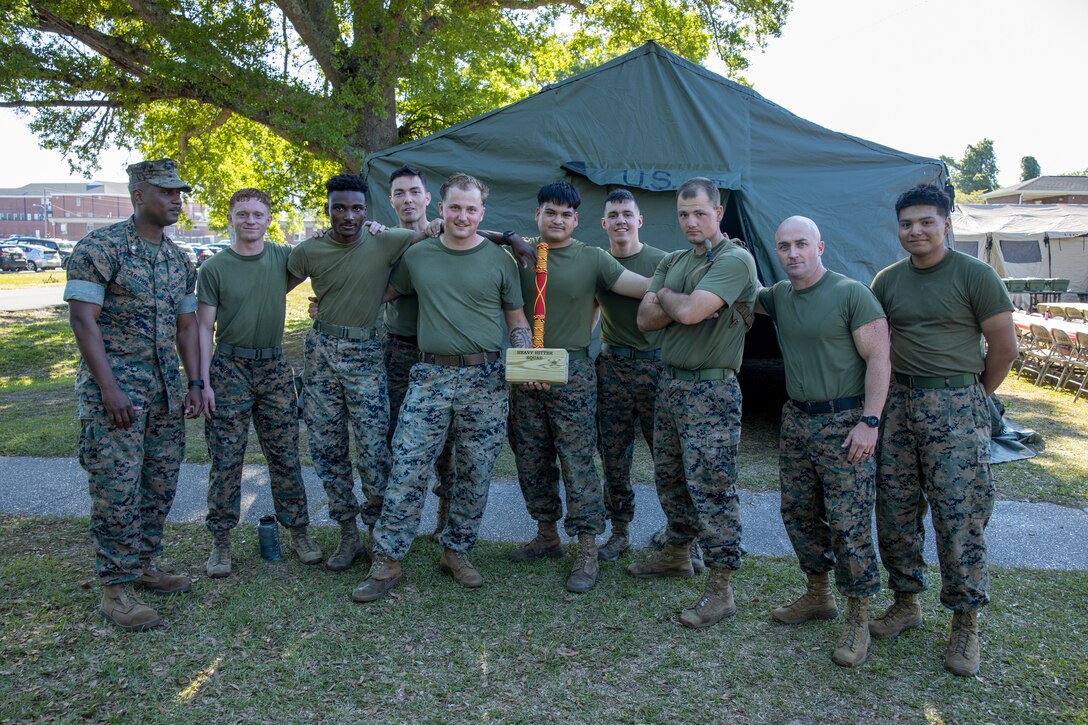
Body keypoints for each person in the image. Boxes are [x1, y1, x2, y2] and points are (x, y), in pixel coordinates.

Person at [353, 173, 530, 602]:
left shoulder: (500, 261)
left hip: (486, 381)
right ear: (442, 208)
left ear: (482, 213)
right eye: (455, 208)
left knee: (475, 472)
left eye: (471, 209)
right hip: (430, 377)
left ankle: (457, 551)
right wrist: (333, 300)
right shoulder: (419, 256)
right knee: (408, 467)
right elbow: (378, 293)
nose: (462, 216)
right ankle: (388, 559)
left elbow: (517, 321)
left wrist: (527, 360)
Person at [869, 184, 1018, 677]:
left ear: (946, 224)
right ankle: (905, 601)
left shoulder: (976, 275)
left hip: (956, 406)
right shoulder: (888, 280)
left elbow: (1004, 348)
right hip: (899, 405)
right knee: (895, 510)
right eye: (906, 223)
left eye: (926, 222)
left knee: (959, 517)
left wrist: (972, 395)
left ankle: (965, 622)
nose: (916, 231)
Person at [64, 158, 203, 631]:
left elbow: (186, 326)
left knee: (159, 485)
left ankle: (144, 565)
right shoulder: (100, 248)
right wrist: (109, 388)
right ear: (138, 194)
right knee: (116, 490)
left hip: (164, 395)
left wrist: (193, 383)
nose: (176, 200)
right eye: (166, 192)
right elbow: (83, 320)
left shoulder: (179, 259)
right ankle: (115, 590)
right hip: (116, 396)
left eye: (179, 192)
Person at [495, 181, 650, 593]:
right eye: (550, 212)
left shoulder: (593, 258)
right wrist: (508, 238)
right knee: (530, 456)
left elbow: (641, 285)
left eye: (566, 214)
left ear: (577, 220)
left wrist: (699, 277)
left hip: (574, 374)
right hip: (526, 370)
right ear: (537, 215)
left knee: (577, 460)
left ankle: (586, 547)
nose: (558, 220)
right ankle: (546, 535)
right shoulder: (518, 254)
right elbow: (469, 236)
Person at [754, 215, 889, 667]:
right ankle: (818, 593)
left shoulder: (850, 294)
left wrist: (870, 421)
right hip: (797, 420)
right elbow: (747, 292)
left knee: (849, 522)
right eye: (784, 246)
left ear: (820, 247)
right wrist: (729, 250)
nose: (793, 253)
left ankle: (858, 616)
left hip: (845, 421)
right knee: (797, 511)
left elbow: (880, 358)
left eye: (801, 244)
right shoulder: (779, 296)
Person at [287, 174, 435, 573]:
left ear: (367, 211)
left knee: (373, 451)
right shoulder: (309, 250)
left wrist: (510, 239)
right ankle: (347, 533)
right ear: (327, 210)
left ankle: (376, 534)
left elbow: (445, 232)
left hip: (367, 356)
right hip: (321, 354)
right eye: (339, 208)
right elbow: (273, 287)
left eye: (356, 208)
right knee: (327, 448)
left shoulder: (385, 240)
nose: (348, 216)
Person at [628, 177, 757, 629]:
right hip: (671, 386)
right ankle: (678, 553)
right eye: (684, 214)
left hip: (711, 390)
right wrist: (675, 299)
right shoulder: (674, 260)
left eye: (700, 213)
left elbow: (687, 313)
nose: (691, 222)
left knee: (713, 488)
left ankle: (721, 588)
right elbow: (646, 320)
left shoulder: (735, 259)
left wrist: (668, 299)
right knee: (670, 478)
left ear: (718, 213)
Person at [196, 188, 323, 578]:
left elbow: (320, 255)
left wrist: (321, 235)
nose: (250, 220)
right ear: (230, 218)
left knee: (285, 456)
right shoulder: (214, 268)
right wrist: (202, 381)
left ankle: (299, 533)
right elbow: (203, 328)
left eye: (257, 214)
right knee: (226, 459)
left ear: (269, 220)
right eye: (242, 214)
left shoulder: (282, 257)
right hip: (229, 369)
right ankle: (221, 542)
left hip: (273, 368)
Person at [592, 189, 669, 561]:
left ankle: (679, 534)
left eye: (627, 214)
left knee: (668, 457)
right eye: (613, 215)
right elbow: (591, 311)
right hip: (613, 369)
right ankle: (620, 532)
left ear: (639, 220)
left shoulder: (664, 262)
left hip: (658, 368)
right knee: (613, 457)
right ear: (603, 223)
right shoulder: (597, 263)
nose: (620, 220)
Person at [382, 166, 456, 539]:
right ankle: (397, 522)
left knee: (448, 443)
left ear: (428, 198)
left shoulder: (446, 235)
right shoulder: (383, 241)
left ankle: (446, 518)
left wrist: (441, 229)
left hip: (439, 354)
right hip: (398, 349)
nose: (408, 199)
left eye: (414, 192)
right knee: (396, 437)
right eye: (400, 193)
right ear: (391, 199)